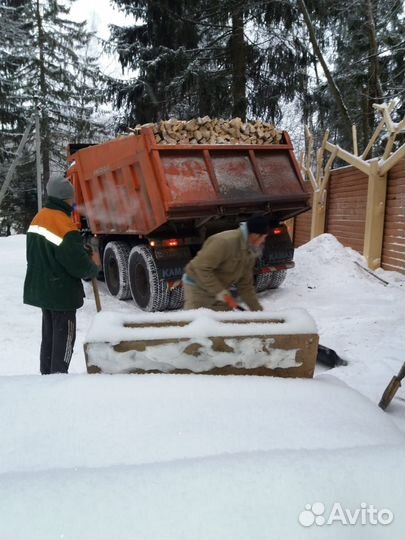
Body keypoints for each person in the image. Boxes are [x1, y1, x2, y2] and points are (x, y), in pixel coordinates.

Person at [23, 175, 99, 374]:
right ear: (65, 198)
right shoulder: (63, 224)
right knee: (64, 338)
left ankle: (47, 374)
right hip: (61, 293)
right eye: (72, 198)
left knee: (49, 336)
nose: (74, 202)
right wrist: (92, 268)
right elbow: (76, 264)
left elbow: (48, 251)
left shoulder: (40, 217)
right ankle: (58, 379)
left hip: (45, 290)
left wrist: (77, 249)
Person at [183, 215, 269, 311]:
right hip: (198, 289)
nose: (264, 241)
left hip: (218, 291)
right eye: (264, 237)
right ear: (255, 235)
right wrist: (221, 292)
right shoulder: (224, 242)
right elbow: (201, 268)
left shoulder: (249, 253)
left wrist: (258, 312)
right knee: (203, 323)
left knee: (226, 322)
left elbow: (245, 286)